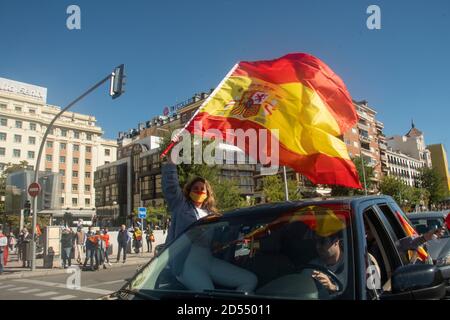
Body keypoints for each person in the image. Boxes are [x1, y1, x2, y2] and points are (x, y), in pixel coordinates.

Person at [161, 146, 258, 293]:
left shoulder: (212, 214)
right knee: (208, 294)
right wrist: (173, 156)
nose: (199, 191)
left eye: (202, 189)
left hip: (208, 259)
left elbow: (224, 238)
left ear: (207, 193)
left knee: (250, 280)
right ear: (188, 191)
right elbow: (170, 184)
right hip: (187, 261)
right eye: (196, 188)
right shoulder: (181, 206)